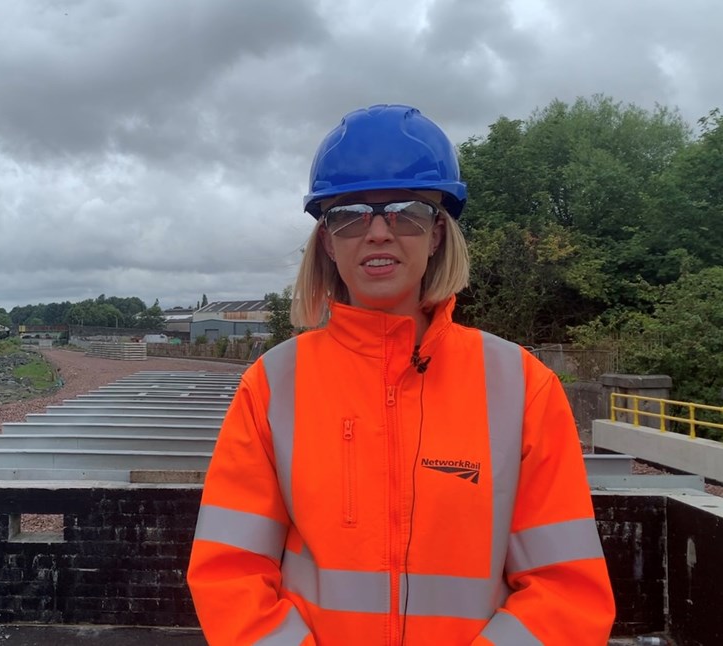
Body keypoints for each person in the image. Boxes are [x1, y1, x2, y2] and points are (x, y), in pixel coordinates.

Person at [186, 104, 615, 645]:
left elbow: (568, 592)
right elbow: (230, 576)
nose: (379, 232)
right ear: (327, 241)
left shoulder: (522, 387)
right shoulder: (272, 386)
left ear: (437, 233)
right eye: (350, 214)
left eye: (406, 211)